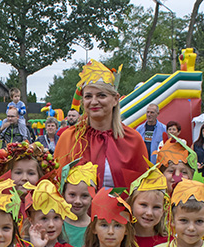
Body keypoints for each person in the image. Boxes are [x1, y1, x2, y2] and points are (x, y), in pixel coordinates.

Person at [55, 60, 149, 190]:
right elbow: (56, 187)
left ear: (115, 99)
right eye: (88, 96)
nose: (94, 102)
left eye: (101, 95)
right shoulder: (69, 138)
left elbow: (144, 191)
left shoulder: (133, 140)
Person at [61, 162, 96, 247]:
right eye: (72, 195)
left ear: (92, 197)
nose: (77, 201)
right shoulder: (57, 224)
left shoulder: (95, 227)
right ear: (63, 194)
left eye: (84, 196)